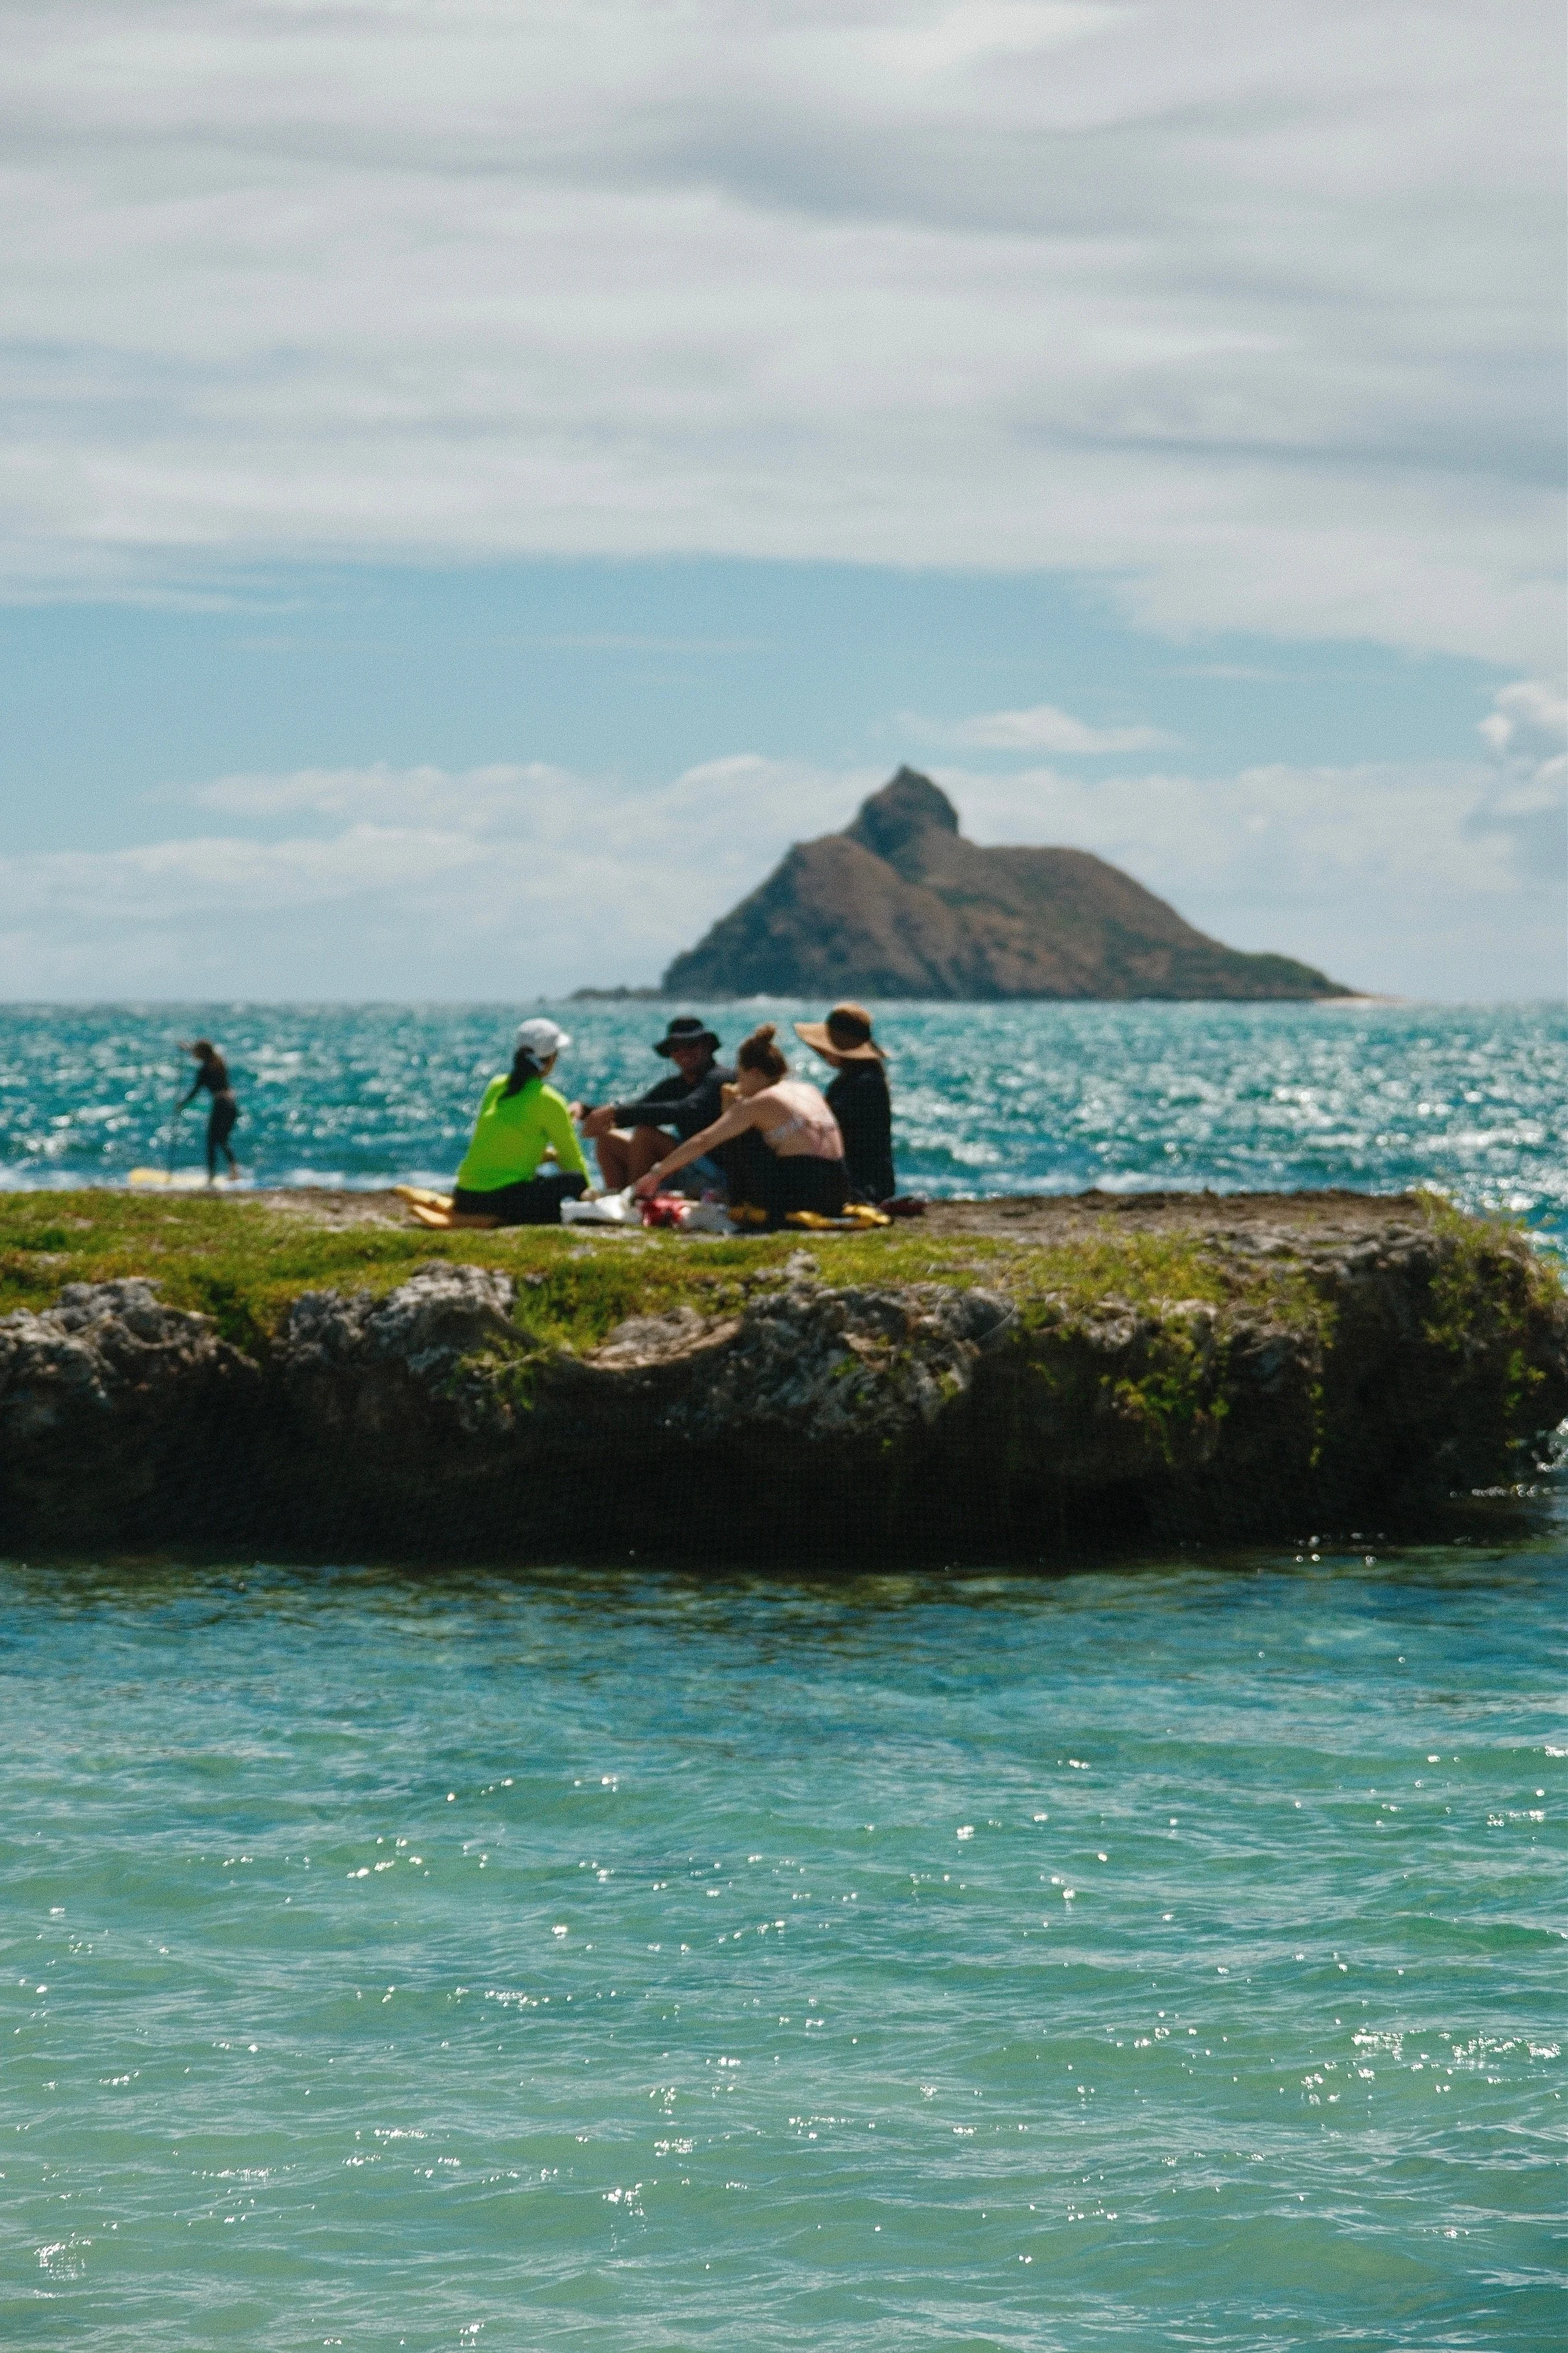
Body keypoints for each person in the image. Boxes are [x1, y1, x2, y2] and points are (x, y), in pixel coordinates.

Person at [632, 1022, 846, 1228]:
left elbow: (703, 1141)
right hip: (838, 1189)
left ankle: (733, 1200)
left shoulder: (759, 1102)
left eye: (740, 1074)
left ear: (752, 1072)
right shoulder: (809, 1089)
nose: (738, 1082)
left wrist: (656, 1174)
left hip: (805, 1194)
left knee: (737, 1135)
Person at [442, 1018, 590, 1228]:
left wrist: (549, 1154)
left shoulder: (496, 1086)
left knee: (537, 1181)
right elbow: (572, 1160)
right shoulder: (550, 1100)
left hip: (465, 1197)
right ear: (551, 1059)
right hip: (501, 1203)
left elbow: (500, 1145)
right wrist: (592, 1195)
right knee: (573, 1179)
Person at [577, 1016, 736, 1195]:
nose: (683, 1052)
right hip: (686, 1167)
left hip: (718, 1177)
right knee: (608, 1139)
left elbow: (687, 1109)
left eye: (691, 1045)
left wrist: (617, 1114)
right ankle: (616, 1198)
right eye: (676, 1047)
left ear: (706, 1046)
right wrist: (585, 1111)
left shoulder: (720, 1079)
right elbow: (638, 1107)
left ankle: (632, 1201)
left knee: (646, 1136)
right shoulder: (675, 1084)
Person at [793, 1002, 895, 1206]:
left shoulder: (863, 1083)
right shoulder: (863, 1078)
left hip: (863, 1184)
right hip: (866, 1179)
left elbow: (832, 1126)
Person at [180, 1039, 241, 1180]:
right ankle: (234, 1171)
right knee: (222, 1139)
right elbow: (203, 1052)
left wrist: (182, 1104)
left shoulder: (205, 1070)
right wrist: (187, 1048)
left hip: (221, 1105)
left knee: (212, 1141)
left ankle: (211, 1176)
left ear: (201, 1054)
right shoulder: (218, 1063)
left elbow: (196, 1090)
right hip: (231, 1103)